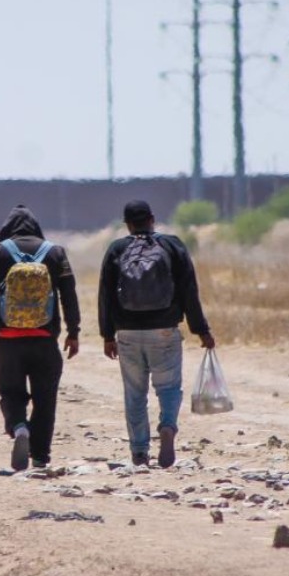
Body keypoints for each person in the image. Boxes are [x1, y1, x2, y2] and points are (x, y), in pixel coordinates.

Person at [98, 199, 215, 468]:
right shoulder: (172, 245)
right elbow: (189, 291)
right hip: (164, 330)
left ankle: (139, 451)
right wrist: (201, 330)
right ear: (152, 218)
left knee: (135, 393)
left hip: (127, 332)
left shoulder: (117, 248)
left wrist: (107, 335)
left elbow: (105, 295)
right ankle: (168, 427)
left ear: (127, 224)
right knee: (169, 387)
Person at [0, 204, 81, 471]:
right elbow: (69, 295)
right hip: (45, 339)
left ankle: (19, 427)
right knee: (45, 399)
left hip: (8, 340)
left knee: (10, 392)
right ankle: (40, 457)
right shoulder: (56, 253)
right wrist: (73, 331)